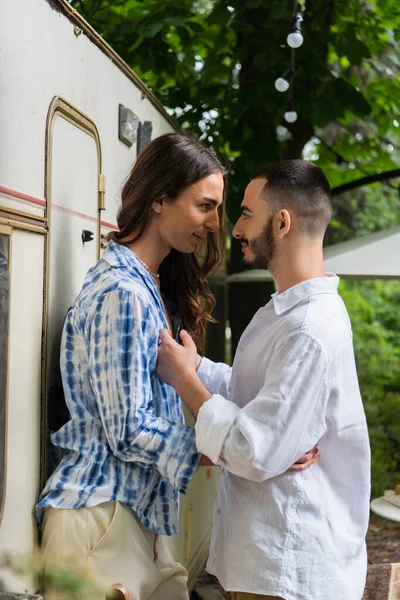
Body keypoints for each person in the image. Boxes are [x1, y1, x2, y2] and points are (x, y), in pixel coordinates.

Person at [157, 159, 371, 600]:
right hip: (268, 566)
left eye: (247, 214)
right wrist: (197, 367)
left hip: (288, 570)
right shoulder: (287, 313)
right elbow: (253, 393)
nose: (234, 228)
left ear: (283, 222)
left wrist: (187, 385)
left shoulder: (309, 328)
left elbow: (255, 451)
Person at [36, 132, 228, 600]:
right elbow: (127, 428)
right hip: (97, 519)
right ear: (160, 198)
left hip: (136, 516)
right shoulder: (122, 293)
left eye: (219, 209)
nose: (215, 223)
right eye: (205, 206)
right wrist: (232, 448)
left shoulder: (148, 288)